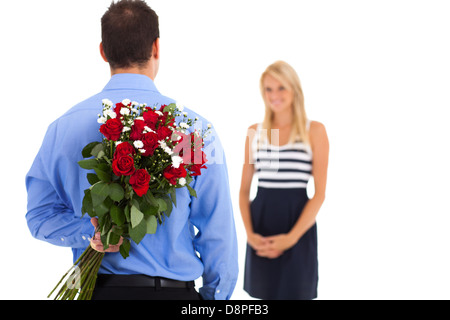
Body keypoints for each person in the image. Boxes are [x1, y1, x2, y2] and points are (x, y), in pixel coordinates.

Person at [25, 0, 238, 300]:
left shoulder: (63, 128)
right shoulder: (192, 131)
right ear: (157, 48)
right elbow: (218, 231)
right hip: (173, 295)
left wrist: (90, 233)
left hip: (96, 293)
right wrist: (214, 299)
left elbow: (39, 217)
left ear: (103, 51)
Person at [239, 60, 329, 300]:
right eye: (268, 89)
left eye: (281, 88)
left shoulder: (314, 131)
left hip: (298, 229)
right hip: (261, 229)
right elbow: (243, 192)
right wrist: (250, 234)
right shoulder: (257, 132)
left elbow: (319, 194)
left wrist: (291, 238)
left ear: (294, 90)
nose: (274, 95)